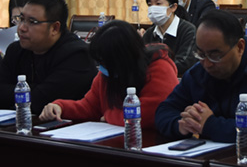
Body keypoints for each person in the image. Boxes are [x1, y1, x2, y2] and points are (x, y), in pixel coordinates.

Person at [155, 10, 247, 144]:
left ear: (240, 47)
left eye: (215, 56)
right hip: (211, 154)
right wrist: (181, 125)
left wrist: (210, 125)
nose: (207, 64)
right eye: (201, 54)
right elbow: (164, 111)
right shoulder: (198, 72)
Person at [39, 20, 178, 128]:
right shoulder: (108, 72)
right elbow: (90, 106)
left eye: (105, 62)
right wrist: (60, 107)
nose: (102, 68)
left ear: (122, 58)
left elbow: (149, 114)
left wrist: (109, 115)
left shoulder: (159, 67)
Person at [0, 0, 96, 114]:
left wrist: (20, 91)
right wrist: (32, 90)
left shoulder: (76, 55)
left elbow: (40, 101)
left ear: (54, 28)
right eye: (21, 19)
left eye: (32, 22)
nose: (21, 28)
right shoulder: (16, 50)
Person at [142, 0, 197, 76]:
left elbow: (184, 63)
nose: (153, 9)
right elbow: (142, 61)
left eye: (158, 4)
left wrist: (155, 68)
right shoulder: (149, 33)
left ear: (173, 7)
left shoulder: (188, 30)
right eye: (150, 5)